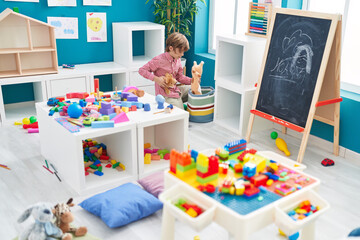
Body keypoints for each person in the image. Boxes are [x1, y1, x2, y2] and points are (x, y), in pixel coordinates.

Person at [139, 32, 192, 110]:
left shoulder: (178, 59)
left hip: (176, 90)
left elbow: (179, 77)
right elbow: (142, 70)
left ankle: (179, 103)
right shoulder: (159, 60)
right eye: (180, 51)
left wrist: (192, 81)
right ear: (171, 48)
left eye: (183, 51)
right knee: (182, 113)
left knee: (194, 89)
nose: (182, 54)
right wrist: (156, 79)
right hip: (165, 94)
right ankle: (178, 105)